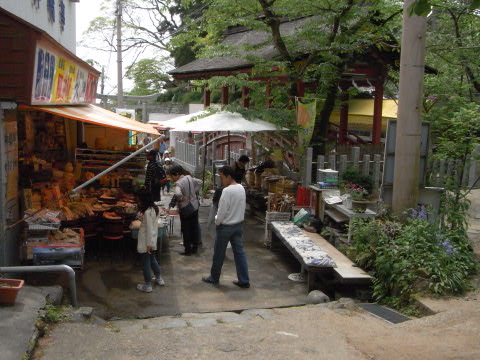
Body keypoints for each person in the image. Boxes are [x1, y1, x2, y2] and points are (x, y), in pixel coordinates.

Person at [202, 166, 250, 288]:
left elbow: (222, 211)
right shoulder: (241, 188)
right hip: (238, 225)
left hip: (225, 227)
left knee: (219, 253)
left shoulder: (227, 191)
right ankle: (244, 280)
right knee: (239, 253)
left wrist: (217, 221)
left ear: (229, 176)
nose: (221, 180)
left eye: (222, 177)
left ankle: (214, 277)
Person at [168, 165, 202, 255]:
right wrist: (194, 192)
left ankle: (188, 250)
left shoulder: (179, 183)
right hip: (195, 206)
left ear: (177, 174)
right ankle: (195, 248)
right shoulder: (189, 177)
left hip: (186, 209)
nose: (172, 178)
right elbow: (200, 182)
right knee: (194, 227)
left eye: (172, 176)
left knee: (186, 229)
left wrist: (181, 198)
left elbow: (178, 193)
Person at [135, 189, 165, 293]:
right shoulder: (154, 208)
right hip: (152, 239)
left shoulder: (147, 212)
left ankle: (147, 285)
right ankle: (158, 278)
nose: (138, 201)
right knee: (152, 259)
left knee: (146, 263)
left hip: (146, 242)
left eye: (139, 199)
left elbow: (148, 229)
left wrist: (148, 245)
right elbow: (152, 227)